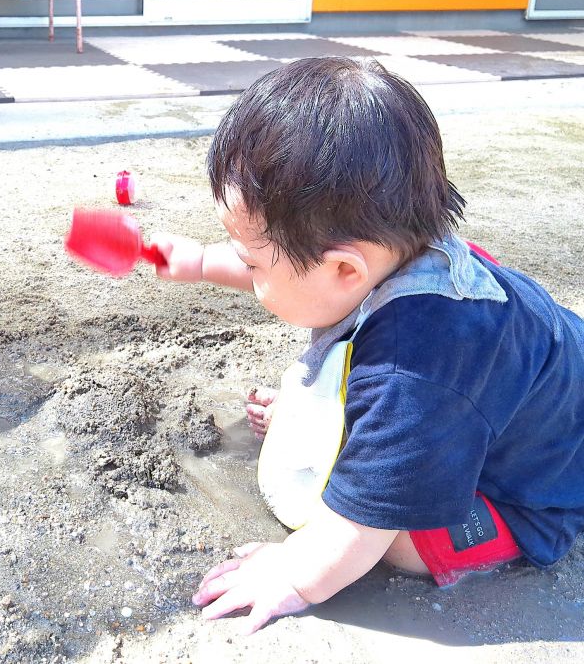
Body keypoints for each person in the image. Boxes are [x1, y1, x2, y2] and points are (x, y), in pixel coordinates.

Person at [151, 57, 584, 634]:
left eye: (251, 263)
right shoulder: (394, 248)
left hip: (538, 489)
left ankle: (505, 525)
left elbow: (362, 521)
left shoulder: (419, 362)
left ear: (345, 268)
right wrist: (199, 262)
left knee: (396, 541)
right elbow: (302, 269)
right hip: (500, 407)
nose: (248, 274)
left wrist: (294, 574)